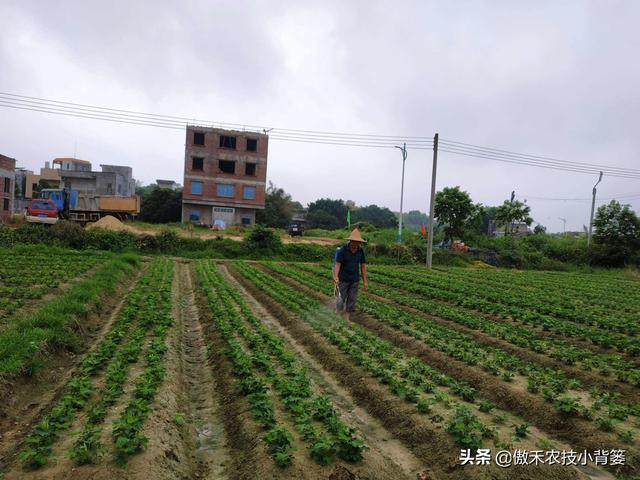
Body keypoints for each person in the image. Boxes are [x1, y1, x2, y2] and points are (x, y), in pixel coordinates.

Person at [333, 228, 368, 318]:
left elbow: (363, 266)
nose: (354, 244)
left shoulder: (361, 251)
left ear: (359, 243)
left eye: (357, 242)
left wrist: (365, 282)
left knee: (352, 299)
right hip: (343, 279)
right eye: (353, 242)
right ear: (350, 241)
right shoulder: (343, 250)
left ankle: (347, 316)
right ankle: (338, 313)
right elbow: (337, 264)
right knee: (340, 299)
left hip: (354, 279)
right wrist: (335, 276)